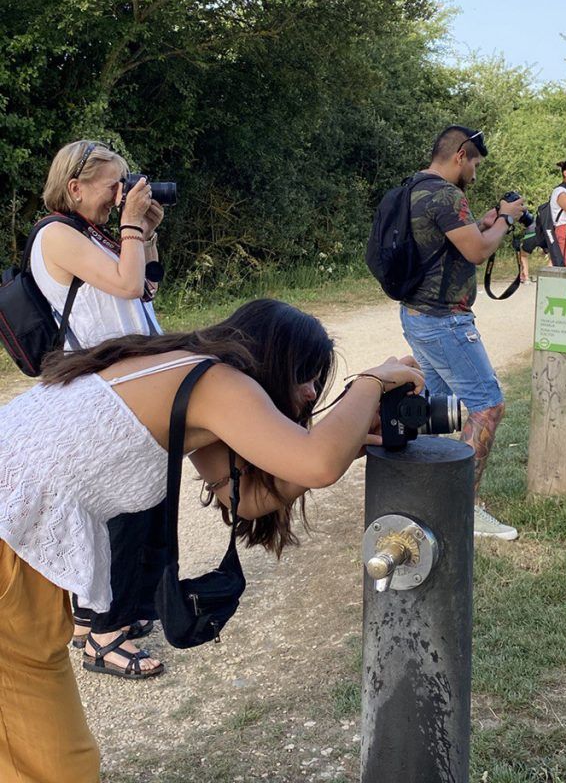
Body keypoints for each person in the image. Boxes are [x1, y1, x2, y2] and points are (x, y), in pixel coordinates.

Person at [0, 298, 421, 782]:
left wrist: (349, 443)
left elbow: (246, 498)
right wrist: (372, 382)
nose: (308, 393)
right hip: (10, 547)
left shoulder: (187, 374)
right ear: (270, 358)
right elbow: (317, 462)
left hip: (16, 543)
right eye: (304, 374)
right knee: (53, 766)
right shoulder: (218, 383)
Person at [35, 139, 166, 678]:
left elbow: (146, 290)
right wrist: (131, 226)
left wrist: (146, 234)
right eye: (112, 184)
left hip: (126, 378)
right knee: (129, 502)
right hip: (100, 386)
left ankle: (107, 616)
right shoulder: (57, 235)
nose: (121, 193)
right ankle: (103, 637)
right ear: (74, 187)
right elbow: (126, 280)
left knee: (141, 499)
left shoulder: (91, 234)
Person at [398, 124, 528, 541]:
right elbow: (475, 251)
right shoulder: (446, 194)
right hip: (444, 320)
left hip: (417, 314)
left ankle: (420, 496)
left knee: (434, 409)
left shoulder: (413, 187)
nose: (474, 171)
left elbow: (455, 240)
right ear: (460, 154)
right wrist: (506, 221)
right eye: (473, 162)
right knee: (487, 407)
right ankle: (463, 511)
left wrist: (487, 220)